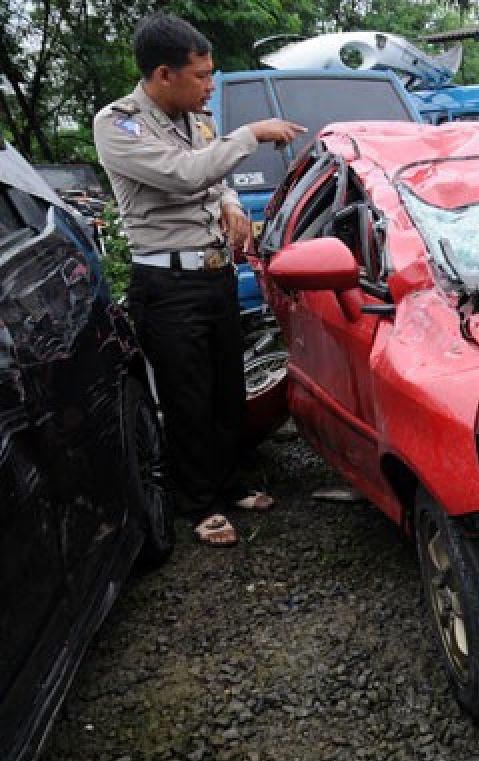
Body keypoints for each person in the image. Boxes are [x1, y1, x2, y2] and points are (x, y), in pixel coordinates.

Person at [95, 13, 304, 546]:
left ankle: (228, 484)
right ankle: (198, 505)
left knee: (225, 393)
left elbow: (215, 182)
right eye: (202, 75)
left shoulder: (197, 120)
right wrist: (250, 134)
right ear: (164, 74)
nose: (211, 84)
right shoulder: (119, 125)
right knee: (186, 400)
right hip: (166, 285)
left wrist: (233, 204)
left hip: (214, 276)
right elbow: (182, 174)